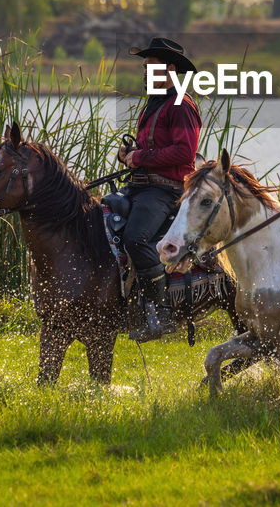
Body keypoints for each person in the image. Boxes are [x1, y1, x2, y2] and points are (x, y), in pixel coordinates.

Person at [118, 37, 202, 342]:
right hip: (142, 188)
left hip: (166, 191)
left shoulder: (181, 104)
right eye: (143, 66)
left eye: (148, 66)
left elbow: (184, 153)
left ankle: (160, 315)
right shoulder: (155, 103)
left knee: (136, 239)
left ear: (168, 69)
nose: (143, 72)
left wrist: (138, 157)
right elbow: (154, 147)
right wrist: (128, 153)